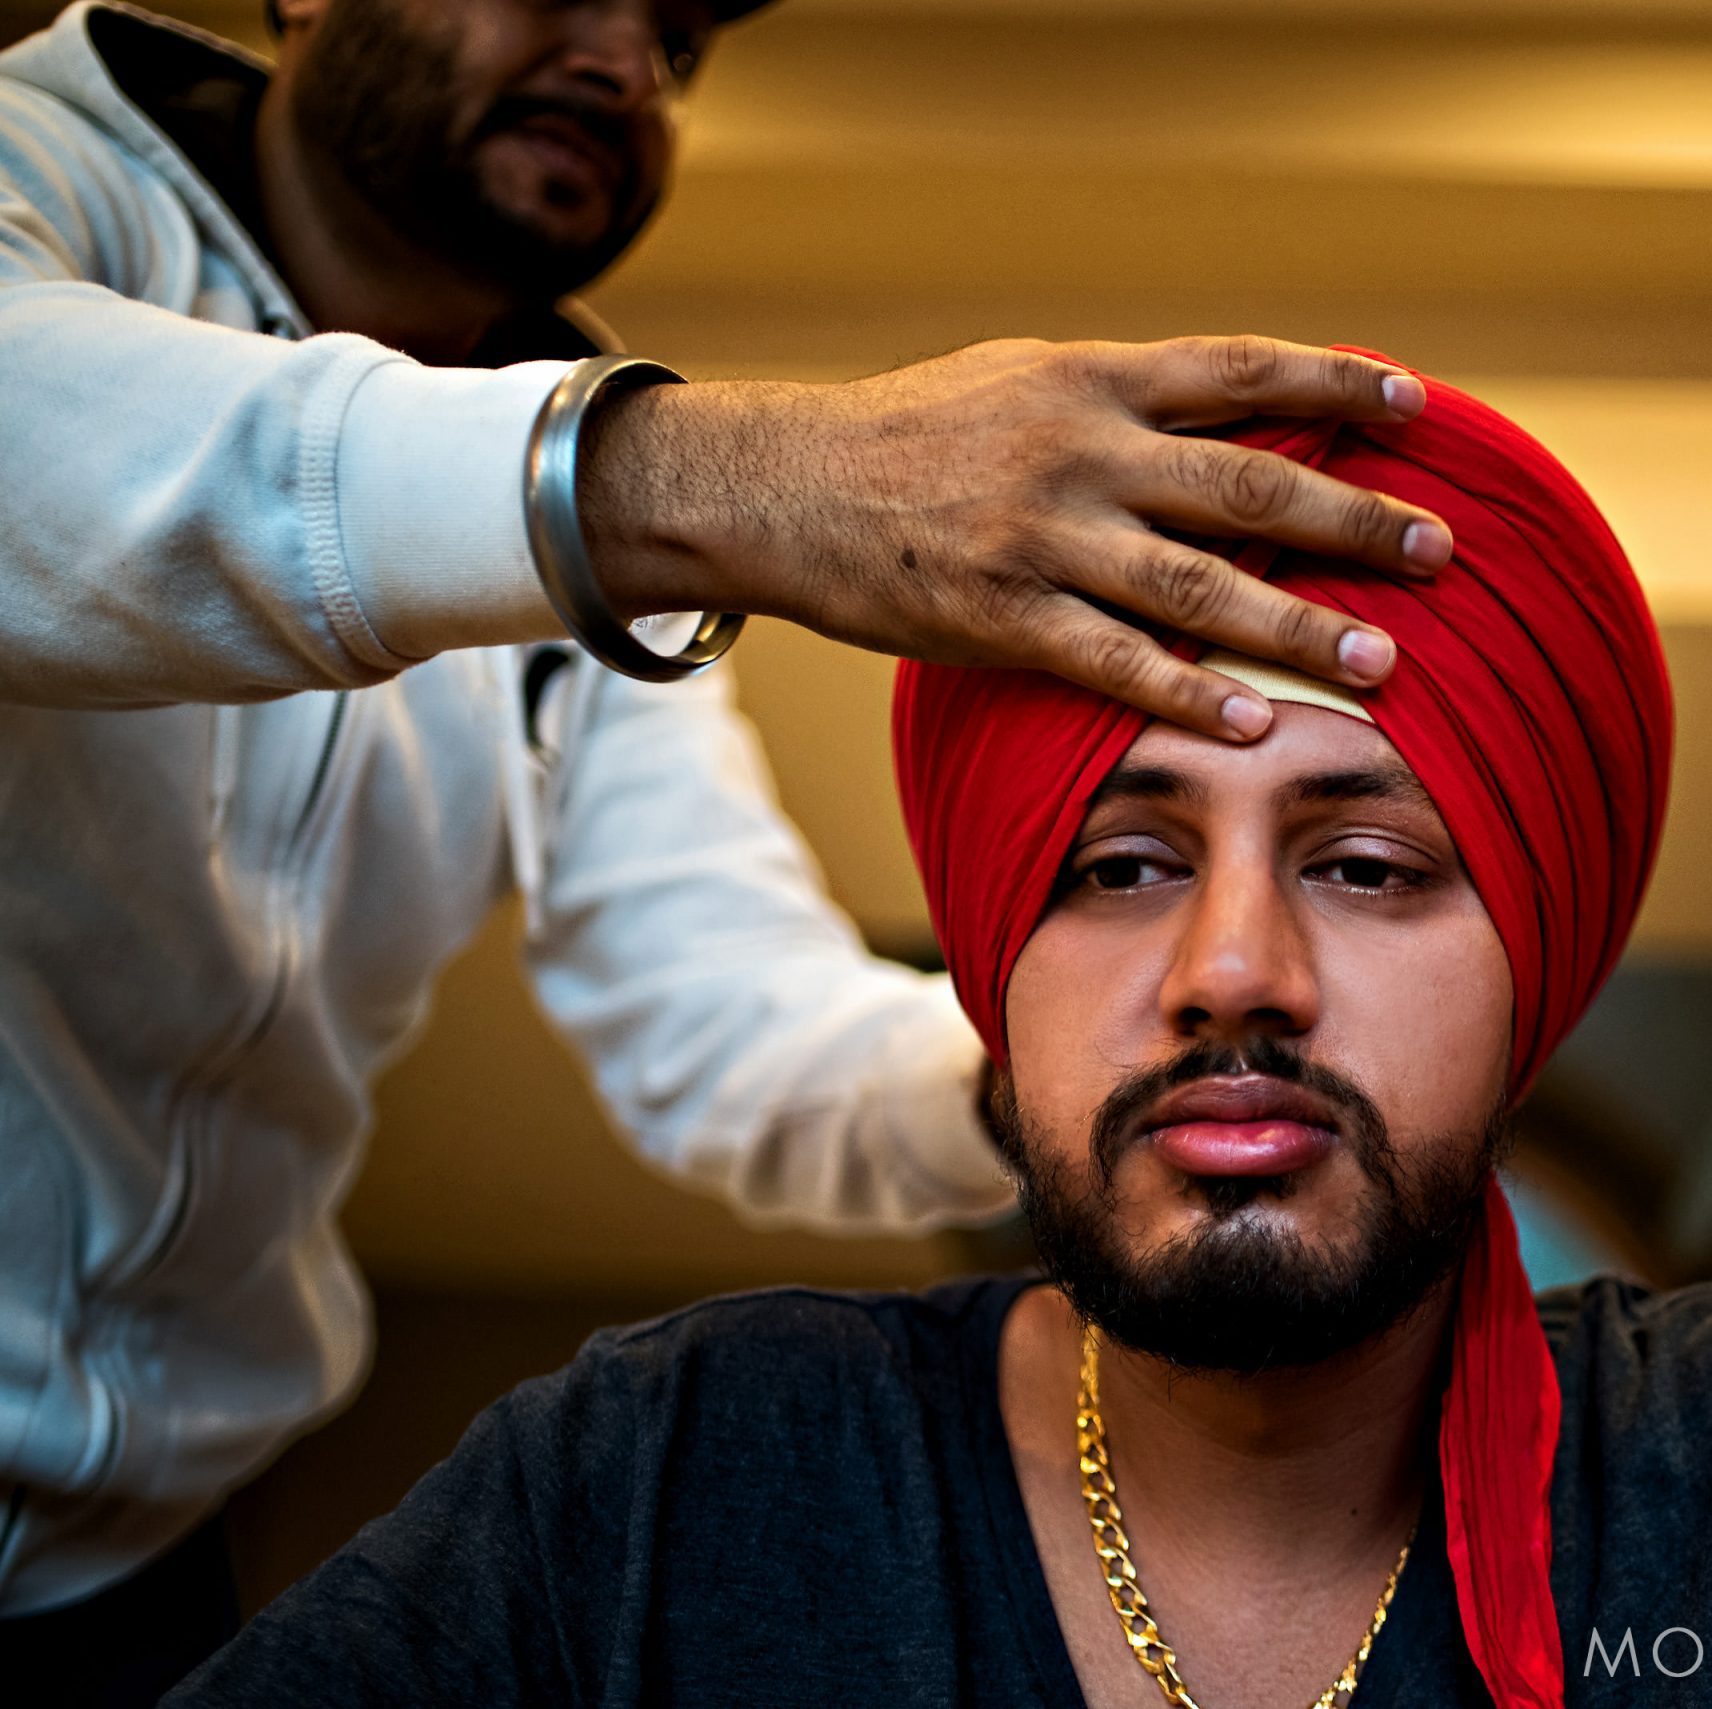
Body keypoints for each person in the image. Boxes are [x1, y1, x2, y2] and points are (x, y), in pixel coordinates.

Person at [163, 362, 1712, 1709]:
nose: (1233, 970)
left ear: (1535, 965)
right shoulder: (674, 1480)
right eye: (1119, 865)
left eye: (1368, 866)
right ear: (992, 974)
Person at [0, 0, 1457, 1692]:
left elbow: (724, 1018)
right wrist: (737, 479)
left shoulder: (584, 582)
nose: (623, 63)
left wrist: (1084, 1058)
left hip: (135, 1566)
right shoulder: (41, 179)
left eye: (677, 38)